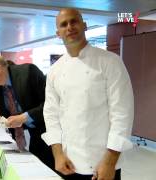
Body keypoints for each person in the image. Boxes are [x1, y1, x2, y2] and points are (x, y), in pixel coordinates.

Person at [41, 8, 134, 180]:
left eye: (74, 21)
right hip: (69, 162)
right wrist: (58, 153)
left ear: (84, 26)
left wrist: (110, 161)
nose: (69, 27)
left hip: (102, 163)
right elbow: (51, 114)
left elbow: (122, 114)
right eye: (63, 24)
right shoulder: (55, 70)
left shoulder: (110, 62)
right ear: (58, 33)